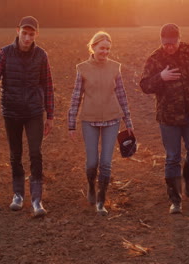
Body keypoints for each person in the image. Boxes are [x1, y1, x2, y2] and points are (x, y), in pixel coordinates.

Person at [0, 16, 54, 217]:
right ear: (18, 31)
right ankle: (18, 195)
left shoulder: (41, 56)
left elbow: (48, 86)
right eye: (24, 33)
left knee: (35, 153)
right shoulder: (5, 54)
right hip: (12, 112)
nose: (27, 37)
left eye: (31, 34)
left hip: (33, 112)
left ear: (36, 35)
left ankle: (36, 199)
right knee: (15, 154)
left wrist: (50, 115)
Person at [140, 23, 189, 214]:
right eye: (165, 44)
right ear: (161, 41)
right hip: (168, 117)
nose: (169, 47)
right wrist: (161, 77)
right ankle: (176, 201)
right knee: (172, 158)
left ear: (179, 39)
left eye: (172, 43)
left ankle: (188, 179)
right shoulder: (155, 58)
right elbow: (144, 85)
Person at [68, 31, 134, 216]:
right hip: (89, 120)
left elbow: (122, 95)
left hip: (112, 120)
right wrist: (71, 123)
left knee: (105, 163)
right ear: (93, 47)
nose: (105, 51)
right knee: (92, 162)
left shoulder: (115, 68)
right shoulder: (82, 69)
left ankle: (101, 200)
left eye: (108, 48)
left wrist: (128, 121)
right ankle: (91, 185)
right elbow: (75, 97)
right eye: (102, 47)